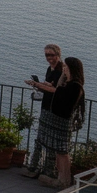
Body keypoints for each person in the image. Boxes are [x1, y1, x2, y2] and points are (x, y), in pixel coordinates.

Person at [28, 56, 85, 188]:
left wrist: (37, 84)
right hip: (58, 119)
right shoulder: (69, 83)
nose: (64, 69)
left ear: (72, 69)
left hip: (62, 121)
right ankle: (61, 178)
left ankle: (64, 180)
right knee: (60, 152)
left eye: (66, 67)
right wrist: (53, 82)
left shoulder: (75, 86)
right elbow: (58, 89)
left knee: (62, 152)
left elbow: (57, 91)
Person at [23, 44, 66, 179]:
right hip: (46, 107)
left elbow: (56, 90)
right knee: (41, 138)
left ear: (58, 55)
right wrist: (39, 85)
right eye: (47, 55)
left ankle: (48, 171)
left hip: (54, 109)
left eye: (51, 55)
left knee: (50, 142)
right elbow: (49, 87)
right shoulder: (50, 69)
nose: (48, 57)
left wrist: (37, 84)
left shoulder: (61, 71)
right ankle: (36, 167)